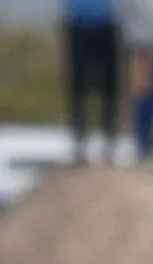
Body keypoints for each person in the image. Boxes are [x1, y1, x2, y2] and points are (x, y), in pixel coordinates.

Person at [65, 0, 123, 159]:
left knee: (110, 88)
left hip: (107, 21)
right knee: (78, 87)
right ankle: (79, 141)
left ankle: (109, 142)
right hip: (78, 21)